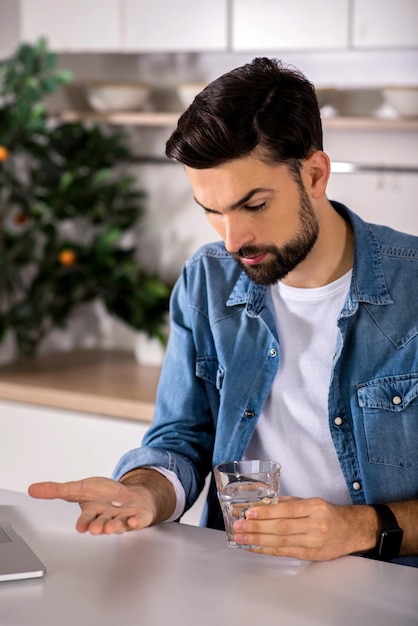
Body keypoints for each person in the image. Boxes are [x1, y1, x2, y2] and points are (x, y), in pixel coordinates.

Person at [29, 57, 418, 567]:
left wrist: (359, 528)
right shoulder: (206, 282)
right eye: (211, 211)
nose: (233, 240)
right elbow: (180, 440)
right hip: (238, 577)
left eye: (253, 205)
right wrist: (146, 492)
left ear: (316, 174)